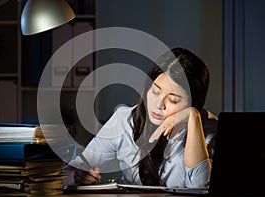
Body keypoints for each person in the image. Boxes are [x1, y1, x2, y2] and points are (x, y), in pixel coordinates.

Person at [63, 47, 218, 188]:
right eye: (155, 91)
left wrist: (192, 117)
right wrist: (78, 176)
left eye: (173, 100)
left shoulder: (209, 128)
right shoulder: (124, 121)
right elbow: (70, 173)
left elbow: (199, 187)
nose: (158, 104)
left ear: (194, 102)